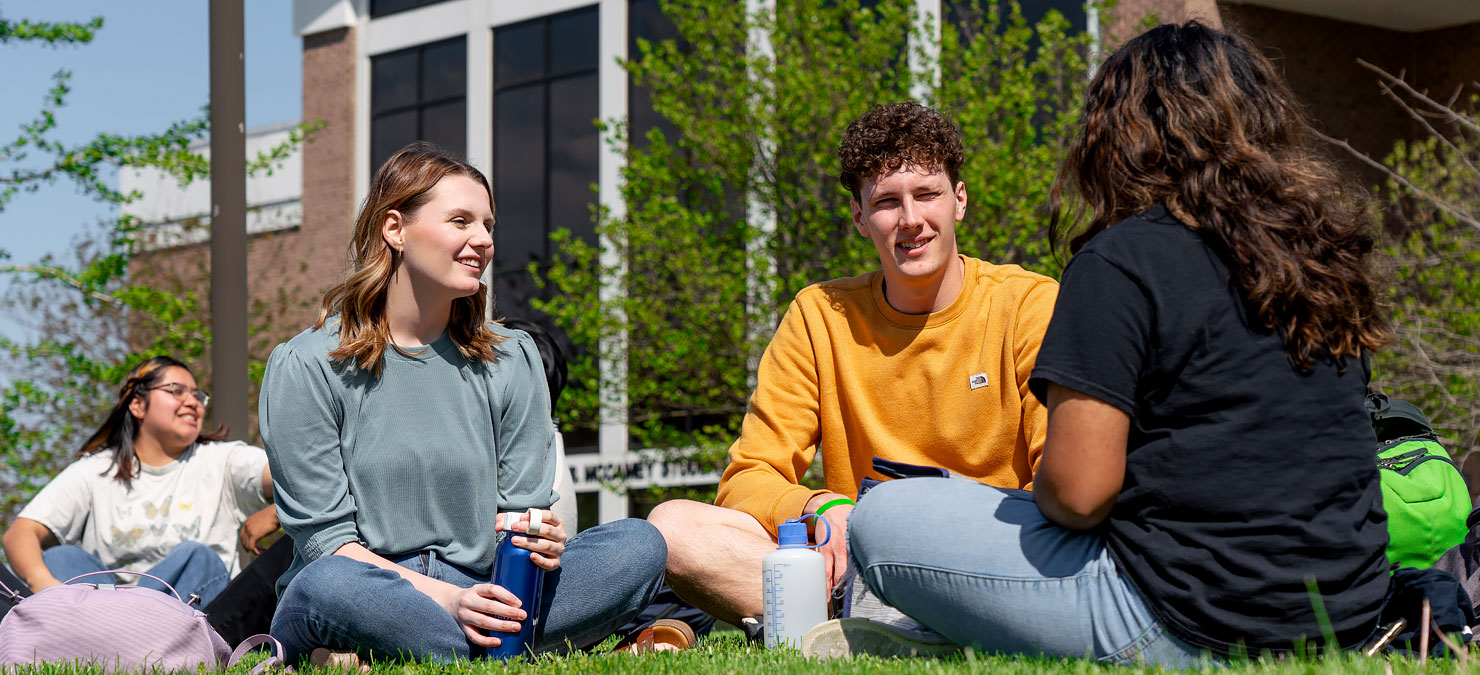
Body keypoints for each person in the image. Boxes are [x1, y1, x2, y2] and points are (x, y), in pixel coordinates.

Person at [834, 22, 1392, 664]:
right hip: (1345, 618)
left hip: (1192, 620)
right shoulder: (1322, 256)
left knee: (884, 517)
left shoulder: (1123, 259)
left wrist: (1016, 501)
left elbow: (1078, 495)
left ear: (1119, 133)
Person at [648, 102, 1058, 629]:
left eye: (927, 194)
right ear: (860, 218)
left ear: (959, 200)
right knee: (673, 526)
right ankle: (897, 623)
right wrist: (821, 506)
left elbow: (1055, 486)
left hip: (988, 555)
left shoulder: (1029, 304)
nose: (911, 219)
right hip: (857, 563)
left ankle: (879, 622)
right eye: (887, 201)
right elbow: (748, 477)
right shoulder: (818, 315)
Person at [259, 143, 667, 667]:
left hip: (486, 587)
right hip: (368, 588)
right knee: (326, 586)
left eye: (488, 225)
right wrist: (449, 602)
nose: (483, 240)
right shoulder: (307, 364)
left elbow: (519, 513)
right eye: (460, 221)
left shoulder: (513, 358)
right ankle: (499, 650)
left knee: (639, 544)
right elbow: (325, 544)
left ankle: (432, 651)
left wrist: (535, 540)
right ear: (394, 229)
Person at [1, 356, 276, 608]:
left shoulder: (224, 460)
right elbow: (20, 533)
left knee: (197, 557)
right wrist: (43, 585)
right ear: (137, 404)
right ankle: (116, 636)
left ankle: (140, 637)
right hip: (104, 612)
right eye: (176, 391)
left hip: (186, 612)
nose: (192, 402)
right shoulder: (95, 471)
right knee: (62, 559)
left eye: (197, 395)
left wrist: (276, 513)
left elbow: (300, 475)